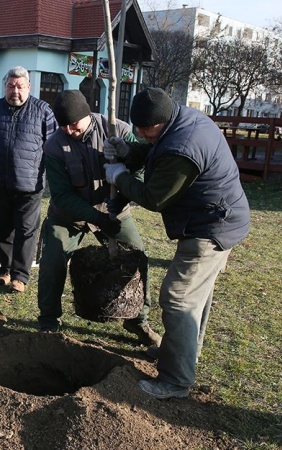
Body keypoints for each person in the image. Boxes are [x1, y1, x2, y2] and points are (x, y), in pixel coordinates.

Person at [103, 87, 250, 399]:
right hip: (219, 217)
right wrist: (129, 153)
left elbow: (154, 197)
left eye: (146, 129)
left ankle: (175, 380)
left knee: (179, 298)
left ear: (163, 120)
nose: (141, 134)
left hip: (210, 227)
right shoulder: (181, 120)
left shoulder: (183, 146)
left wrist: (119, 177)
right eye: (137, 128)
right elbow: (156, 151)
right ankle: (180, 354)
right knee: (197, 295)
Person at [37, 90, 161, 348]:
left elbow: (139, 169)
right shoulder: (54, 146)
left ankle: (138, 320)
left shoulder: (116, 129)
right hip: (68, 216)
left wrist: (123, 199)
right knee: (51, 262)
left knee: (137, 257)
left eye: (74, 124)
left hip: (114, 208)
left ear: (87, 115)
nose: (69, 130)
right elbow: (61, 195)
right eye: (63, 125)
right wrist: (96, 218)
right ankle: (49, 319)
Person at [0, 66, 57, 293]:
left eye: (19, 86)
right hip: (0, 183)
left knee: (26, 231)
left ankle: (20, 276)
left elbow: (55, 148)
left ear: (28, 87)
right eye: (10, 86)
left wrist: (58, 179)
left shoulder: (43, 111)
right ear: (5, 86)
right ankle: (5, 270)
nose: (14, 91)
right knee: (1, 229)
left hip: (30, 186)